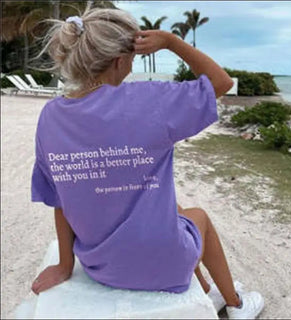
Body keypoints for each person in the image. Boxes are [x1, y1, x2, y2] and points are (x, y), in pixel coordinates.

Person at [30, 5, 264, 319]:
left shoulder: (51, 117)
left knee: (177, 211)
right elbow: (220, 83)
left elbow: (59, 199)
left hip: (102, 267)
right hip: (162, 263)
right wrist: (171, 42)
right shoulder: (149, 100)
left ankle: (208, 291)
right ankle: (236, 304)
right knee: (200, 218)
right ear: (119, 60)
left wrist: (64, 265)